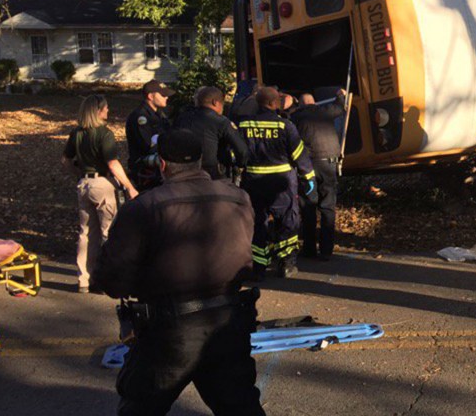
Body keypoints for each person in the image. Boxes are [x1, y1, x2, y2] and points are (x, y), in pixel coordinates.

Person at [91, 129, 266, 416]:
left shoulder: (144, 208)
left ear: (161, 164)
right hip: (228, 322)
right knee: (241, 407)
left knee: (141, 408)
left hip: (168, 330)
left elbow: (113, 279)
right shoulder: (238, 198)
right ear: (200, 160)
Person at [61, 94, 138, 293]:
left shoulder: (76, 133)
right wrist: (129, 186)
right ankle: (106, 278)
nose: (108, 111)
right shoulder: (104, 134)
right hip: (103, 184)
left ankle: (83, 279)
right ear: (98, 111)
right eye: (105, 108)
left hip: (84, 183)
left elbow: (66, 160)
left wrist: (79, 175)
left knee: (86, 232)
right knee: (107, 232)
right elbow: (113, 163)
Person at [239, 86, 316, 279]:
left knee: (257, 222)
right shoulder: (285, 125)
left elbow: (236, 154)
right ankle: (286, 264)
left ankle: (258, 266)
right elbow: (299, 154)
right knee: (288, 221)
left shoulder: (244, 125)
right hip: (282, 182)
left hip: (254, 182)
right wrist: (309, 177)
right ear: (274, 103)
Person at [291, 89, 345, 261]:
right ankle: (327, 250)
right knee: (328, 207)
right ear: (314, 103)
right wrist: (341, 95)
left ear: (300, 105)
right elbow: (340, 107)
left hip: (309, 165)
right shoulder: (325, 112)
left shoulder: (296, 118)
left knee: (308, 207)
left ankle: (309, 248)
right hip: (329, 163)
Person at [173, 86, 248, 180]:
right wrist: (240, 165)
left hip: (185, 173)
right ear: (215, 102)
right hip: (214, 174)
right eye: (222, 104)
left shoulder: (182, 118)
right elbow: (242, 150)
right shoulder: (221, 122)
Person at [125, 80, 174, 190]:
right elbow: (148, 146)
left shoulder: (159, 114)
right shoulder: (141, 117)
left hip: (158, 170)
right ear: (151, 96)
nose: (166, 97)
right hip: (146, 173)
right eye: (163, 95)